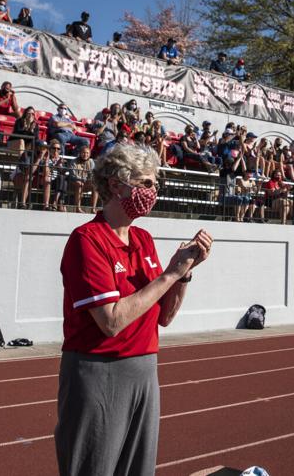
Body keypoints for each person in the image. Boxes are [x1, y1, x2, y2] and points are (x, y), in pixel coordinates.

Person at [55, 143, 211, 476]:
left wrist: (184, 274)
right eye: (146, 182)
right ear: (116, 184)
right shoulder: (87, 239)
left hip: (144, 369)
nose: (153, 191)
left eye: (155, 183)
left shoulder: (143, 239)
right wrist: (169, 273)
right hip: (100, 371)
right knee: (94, 468)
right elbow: (110, 321)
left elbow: (164, 317)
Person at [68, 145, 98, 213]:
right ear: (80, 153)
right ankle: (77, 208)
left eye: (87, 153)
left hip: (86, 183)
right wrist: (83, 179)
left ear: (90, 154)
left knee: (95, 186)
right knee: (79, 184)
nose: (85, 154)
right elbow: (73, 175)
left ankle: (93, 208)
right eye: (84, 152)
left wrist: (88, 180)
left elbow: (92, 174)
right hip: (74, 183)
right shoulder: (74, 161)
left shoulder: (91, 161)